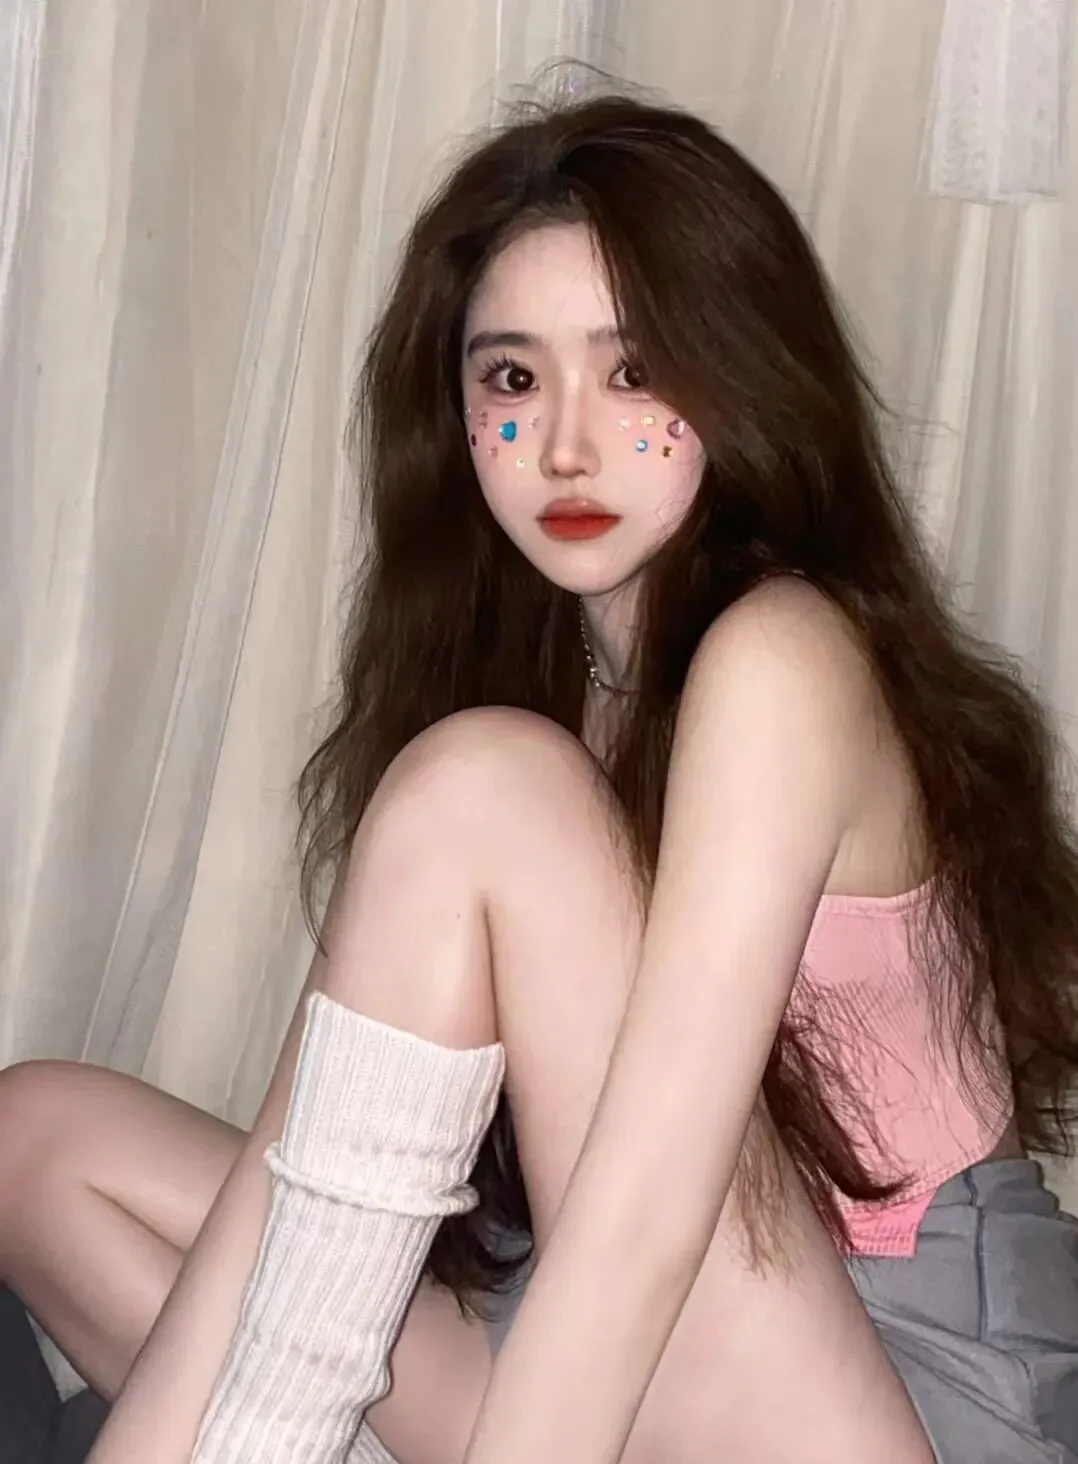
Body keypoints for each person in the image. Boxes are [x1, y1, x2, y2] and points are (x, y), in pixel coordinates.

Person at [1, 84, 1077, 1464]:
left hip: (895, 1384)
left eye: (633, 374)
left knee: (487, 788)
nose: (566, 444)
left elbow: (645, 1219)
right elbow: (313, 1148)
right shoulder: (545, 685)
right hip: (592, 1332)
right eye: (512, 380)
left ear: (741, 378)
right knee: (35, 1143)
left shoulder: (783, 658)